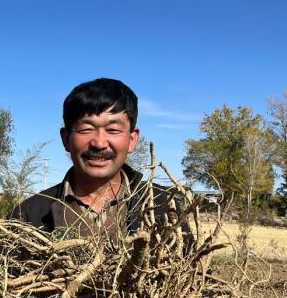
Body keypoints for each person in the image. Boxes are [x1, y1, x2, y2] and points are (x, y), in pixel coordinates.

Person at [11, 77, 179, 240]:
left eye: (113, 130)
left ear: (132, 140)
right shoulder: (27, 216)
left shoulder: (163, 206)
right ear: (66, 138)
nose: (99, 143)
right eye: (86, 129)